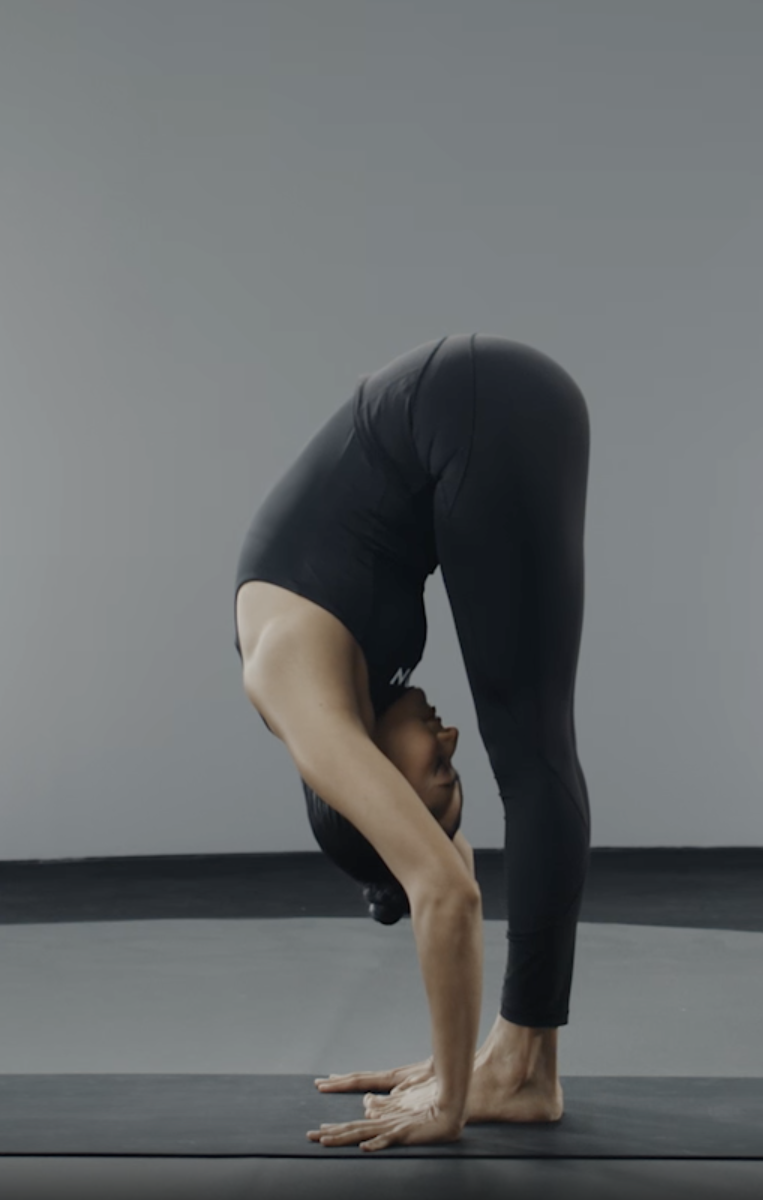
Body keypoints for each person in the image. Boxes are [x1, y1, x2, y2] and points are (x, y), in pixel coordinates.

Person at [232, 333, 592, 1152]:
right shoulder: (357, 691)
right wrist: (450, 1052)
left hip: (478, 402)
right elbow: (448, 862)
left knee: (532, 759)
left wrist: (448, 1103)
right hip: (502, 405)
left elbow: (445, 889)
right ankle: (524, 1062)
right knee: (538, 752)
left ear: (372, 784)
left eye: (434, 770)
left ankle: (525, 1069)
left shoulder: (291, 677)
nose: (447, 735)